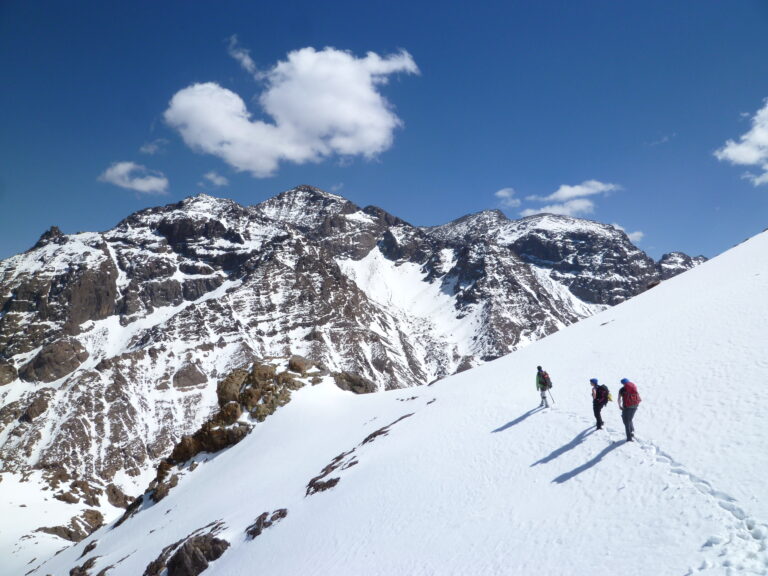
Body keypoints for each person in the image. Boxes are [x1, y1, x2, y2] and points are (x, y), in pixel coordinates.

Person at [618, 378, 642, 442]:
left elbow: (619, 399)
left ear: (622, 383)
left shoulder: (622, 389)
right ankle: (632, 431)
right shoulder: (633, 388)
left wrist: (619, 406)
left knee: (626, 421)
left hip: (627, 407)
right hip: (635, 405)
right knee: (629, 419)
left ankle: (629, 438)